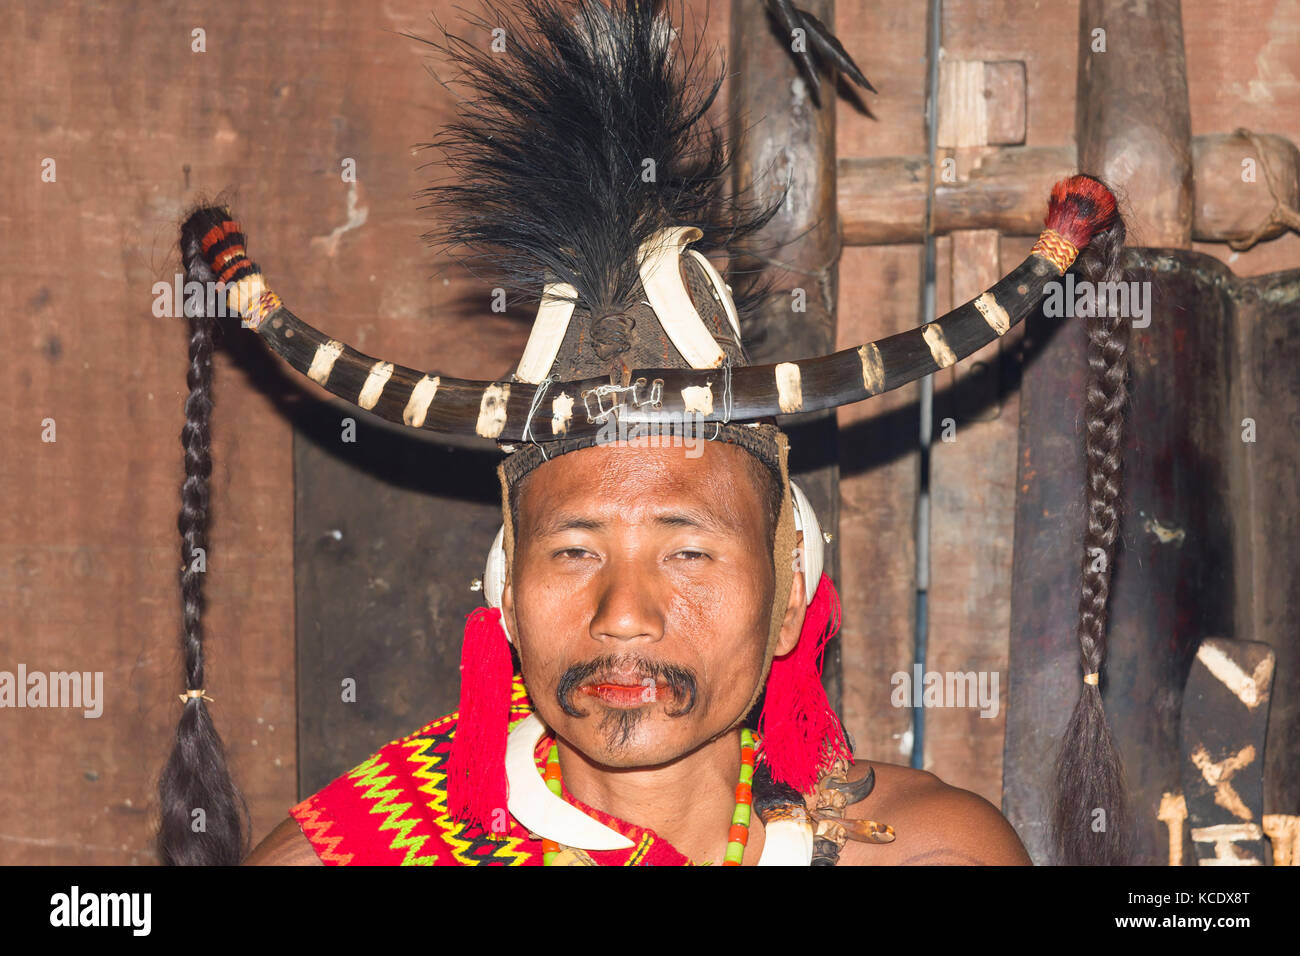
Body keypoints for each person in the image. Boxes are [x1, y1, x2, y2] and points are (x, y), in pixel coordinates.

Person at [160, 0, 1129, 866]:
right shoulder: (357, 854)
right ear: (505, 593)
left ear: (791, 591)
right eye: (575, 548)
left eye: (688, 548)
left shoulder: (933, 856)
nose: (624, 611)